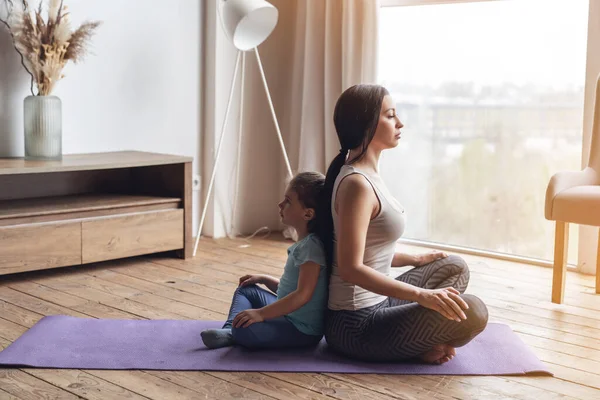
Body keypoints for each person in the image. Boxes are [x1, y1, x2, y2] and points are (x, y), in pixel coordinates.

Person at [318, 84, 489, 364]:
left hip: (379, 303)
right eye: (390, 115)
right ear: (367, 124)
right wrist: (421, 295)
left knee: (454, 267)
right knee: (475, 312)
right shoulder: (356, 185)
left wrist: (415, 258)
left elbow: (369, 251)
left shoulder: (368, 173)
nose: (400, 123)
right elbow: (350, 268)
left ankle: (424, 341)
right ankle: (423, 344)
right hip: (354, 325)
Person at [201, 172, 329, 349]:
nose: (280, 204)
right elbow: (289, 290)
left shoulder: (311, 248)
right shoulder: (305, 244)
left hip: (301, 330)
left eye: (288, 201)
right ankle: (230, 330)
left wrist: (261, 314)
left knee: (245, 330)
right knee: (246, 290)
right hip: (287, 314)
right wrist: (264, 279)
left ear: (307, 214)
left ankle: (234, 332)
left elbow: (303, 295)